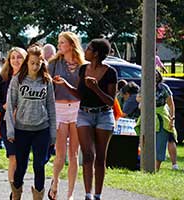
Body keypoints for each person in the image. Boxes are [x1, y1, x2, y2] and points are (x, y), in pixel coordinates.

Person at [53, 38, 117, 200]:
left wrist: (96, 88)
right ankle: (87, 194)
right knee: (87, 154)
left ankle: (98, 194)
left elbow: (110, 101)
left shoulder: (110, 72)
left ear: (95, 54)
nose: (85, 50)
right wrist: (65, 84)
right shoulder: (83, 69)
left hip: (103, 115)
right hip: (84, 114)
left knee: (100, 156)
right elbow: (79, 94)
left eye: (89, 48)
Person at [5, 46, 56, 200]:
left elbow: (51, 108)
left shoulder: (47, 81)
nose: (35, 66)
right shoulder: (18, 80)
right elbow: (10, 105)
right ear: (27, 62)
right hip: (22, 129)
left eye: (38, 63)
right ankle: (16, 194)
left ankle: (38, 196)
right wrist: (10, 130)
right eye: (32, 63)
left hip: (42, 128)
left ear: (42, 63)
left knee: (39, 165)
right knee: (21, 166)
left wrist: (53, 133)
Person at [47, 31, 86, 200]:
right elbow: (46, 85)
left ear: (71, 44)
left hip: (77, 109)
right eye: (59, 42)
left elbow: (84, 90)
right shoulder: (54, 63)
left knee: (74, 154)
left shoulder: (83, 65)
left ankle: (70, 194)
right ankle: (55, 181)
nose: (59, 45)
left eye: (62, 42)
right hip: (59, 108)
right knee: (60, 153)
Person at [0, 47, 27, 190]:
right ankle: (14, 191)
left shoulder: (30, 77)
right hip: (7, 123)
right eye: (12, 57)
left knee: (22, 158)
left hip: (27, 123)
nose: (15, 60)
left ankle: (18, 185)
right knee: (13, 156)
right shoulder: (3, 78)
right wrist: (5, 106)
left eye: (19, 57)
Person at [136, 70, 178, 171]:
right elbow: (138, 98)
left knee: (160, 144)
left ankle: (155, 169)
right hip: (146, 117)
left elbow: (171, 104)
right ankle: (143, 167)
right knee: (144, 141)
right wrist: (141, 100)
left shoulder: (163, 88)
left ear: (158, 78)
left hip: (161, 118)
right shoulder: (144, 87)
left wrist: (172, 118)